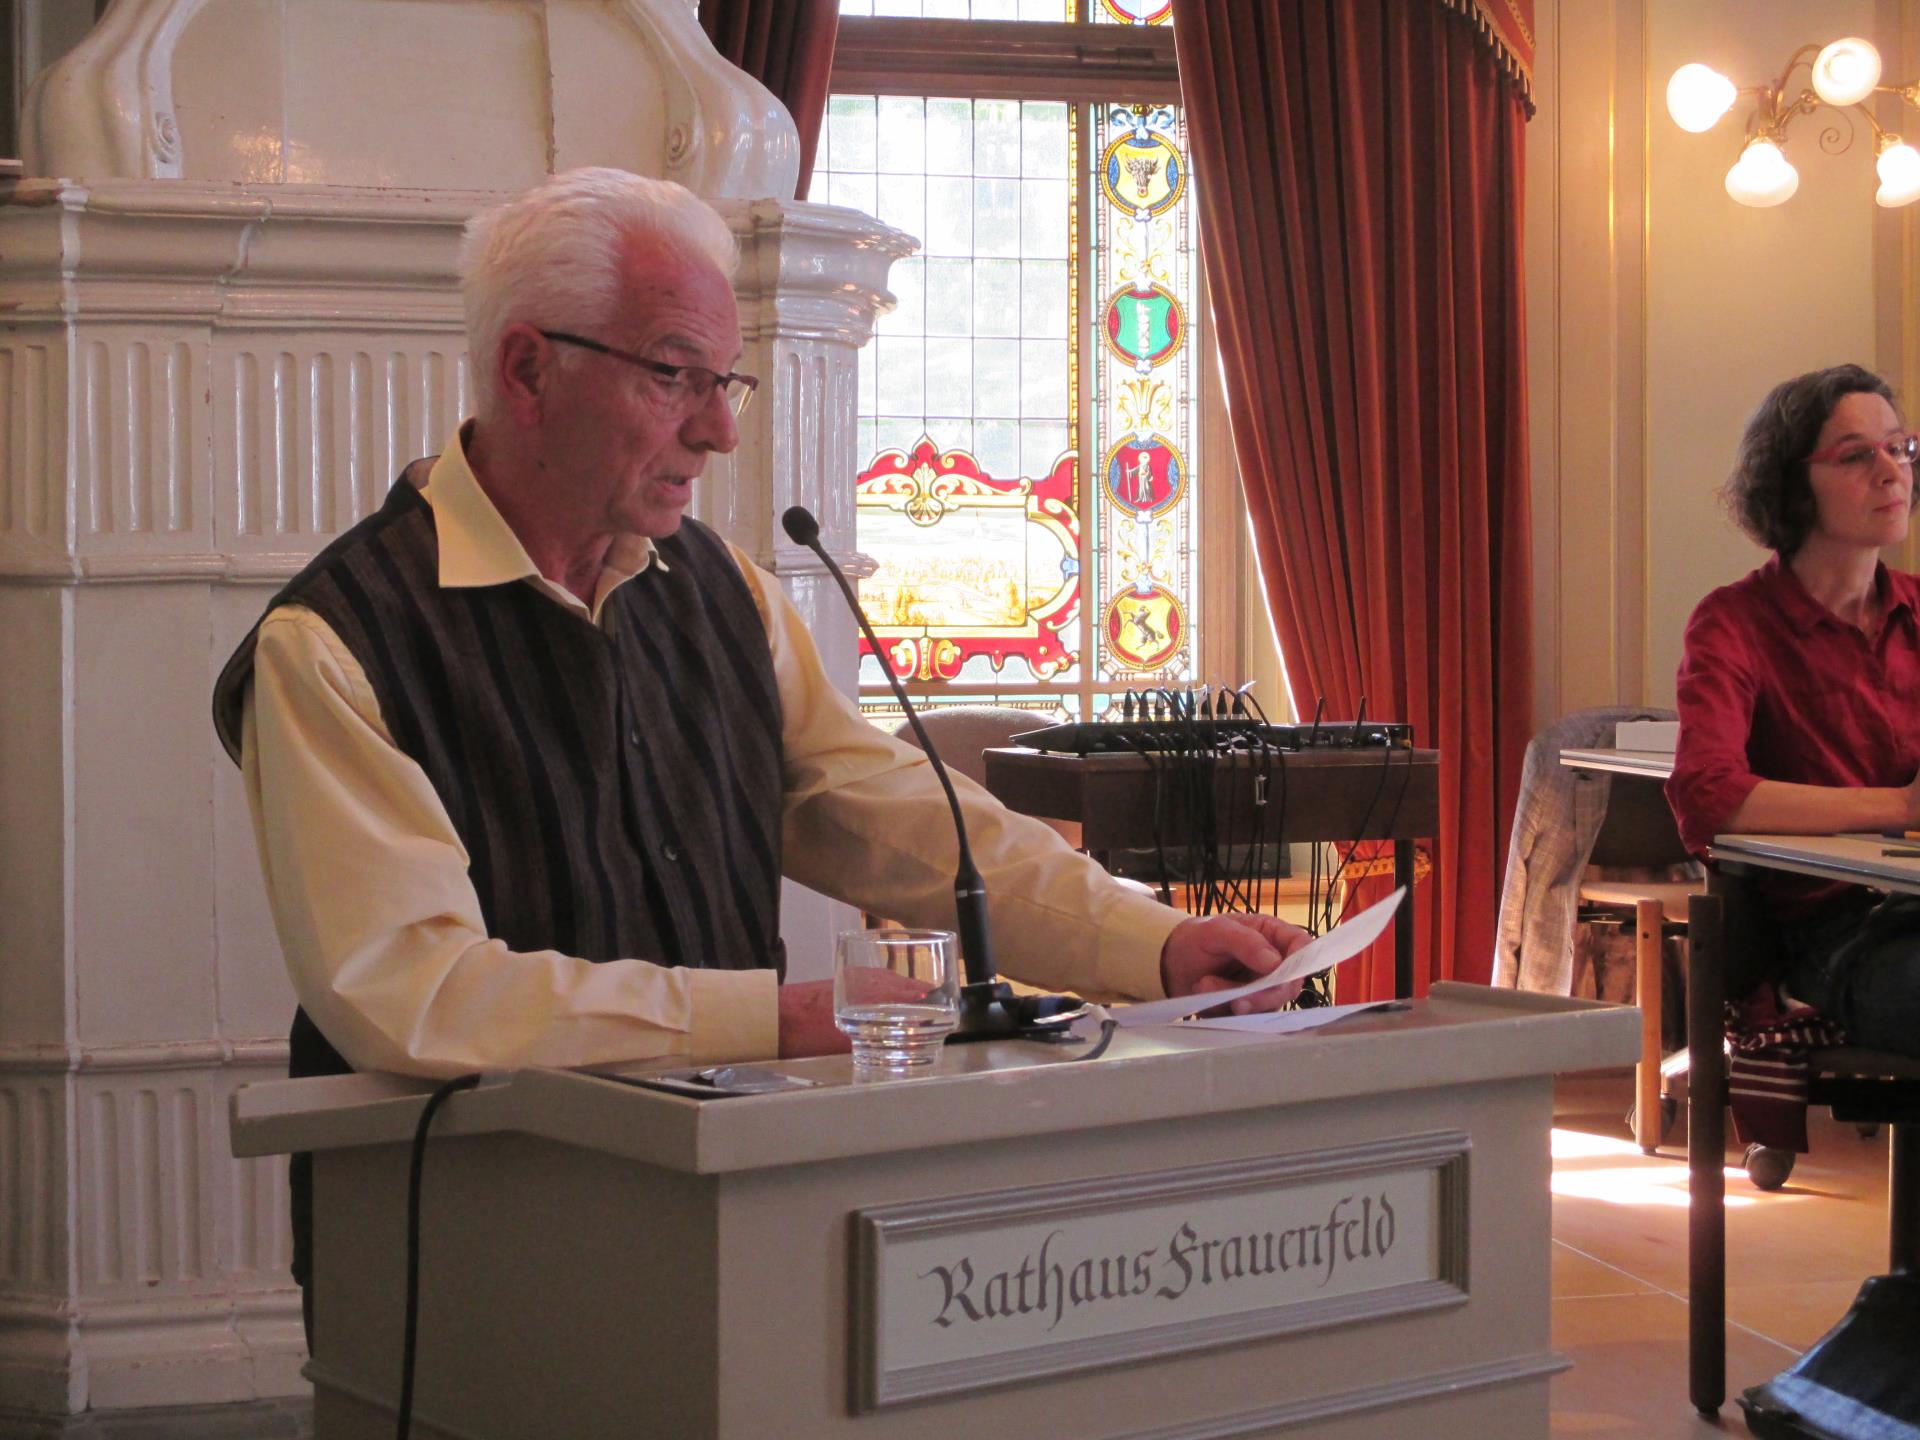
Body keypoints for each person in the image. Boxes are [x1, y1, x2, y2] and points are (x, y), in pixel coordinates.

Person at [210, 168, 1310, 1325]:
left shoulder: (719, 590)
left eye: (722, 380)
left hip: (715, 1217)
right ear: (528, 370)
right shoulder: (335, 642)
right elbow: (415, 992)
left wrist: (1156, 942)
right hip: (463, 1252)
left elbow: (894, 815)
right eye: (672, 375)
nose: (719, 429)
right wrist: (772, 1020)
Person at [1665, 363, 1920, 1054]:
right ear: (1793, 485)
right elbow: (1707, 794)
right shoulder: (1733, 622)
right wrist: (1901, 806)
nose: (1892, 472)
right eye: (1856, 455)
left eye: (1900, 447)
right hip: (1841, 931)